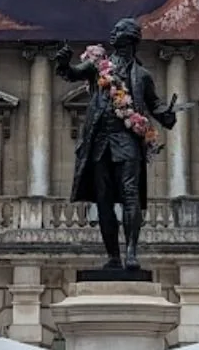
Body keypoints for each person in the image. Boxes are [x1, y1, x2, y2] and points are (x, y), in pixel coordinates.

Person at [54, 18, 177, 271]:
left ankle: (131, 252)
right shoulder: (99, 68)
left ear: (130, 38)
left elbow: (155, 105)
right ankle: (113, 256)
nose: (113, 33)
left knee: (130, 194)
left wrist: (168, 115)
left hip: (127, 140)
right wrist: (64, 62)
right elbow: (72, 73)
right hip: (99, 140)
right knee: (104, 199)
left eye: (119, 31)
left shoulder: (142, 76)